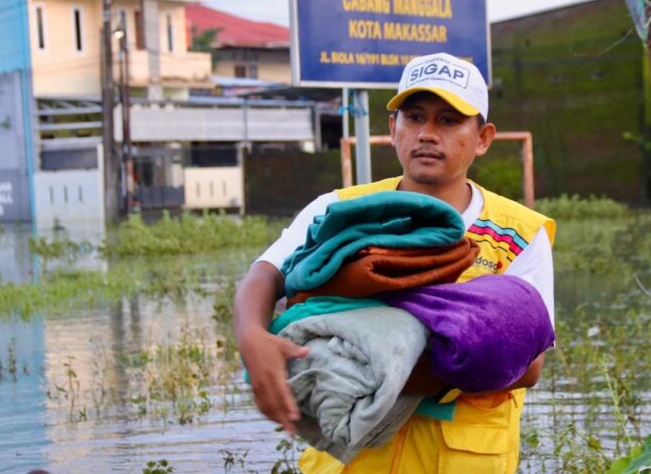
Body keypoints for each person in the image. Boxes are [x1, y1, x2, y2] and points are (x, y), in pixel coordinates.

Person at [233, 52, 555, 473]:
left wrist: (384, 370)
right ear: (393, 128)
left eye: (448, 120)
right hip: (352, 460)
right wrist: (251, 335)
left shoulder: (520, 234)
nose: (427, 134)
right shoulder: (340, 210)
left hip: (461, 461)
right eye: (414, 117)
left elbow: (528, 366)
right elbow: (266, 273)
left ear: (483, 138)